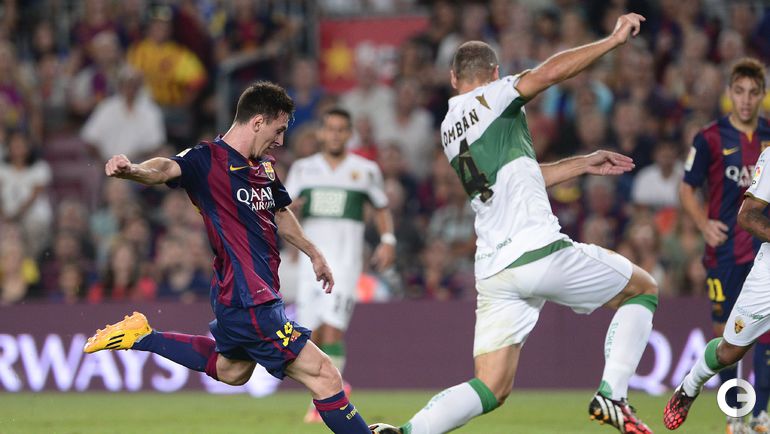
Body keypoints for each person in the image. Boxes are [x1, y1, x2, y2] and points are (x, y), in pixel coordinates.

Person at [370, 13, 659, 434]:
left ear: (453, 79)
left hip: (495, 268)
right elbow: (549, 73)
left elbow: (519, 176)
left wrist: (580, 164)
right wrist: (612, 41)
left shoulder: (450, 127)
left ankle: (407, 432)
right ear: (495, 74)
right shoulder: (495, 97)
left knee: (491, 386)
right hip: (536, 249)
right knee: (643, 289)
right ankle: (612, 395)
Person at [82, 81, 372, 434]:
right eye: (279, 130)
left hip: (245, 294)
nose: (281, 141)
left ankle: (143, 336)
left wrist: (314, 254)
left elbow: (281, 212)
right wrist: (132, 170)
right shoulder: (207, 159)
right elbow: (165, 169)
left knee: (232, 371)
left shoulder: (264, 167)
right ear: (258, 122)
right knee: (326, 375)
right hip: (250, 299)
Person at [665, 59, 770, 432]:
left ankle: (760, 414)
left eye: (753, 92)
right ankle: (723, 405)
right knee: (730, 344)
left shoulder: (766, 134)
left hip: (755, 249)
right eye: (739, 91)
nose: (746, 100)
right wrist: (703, 224)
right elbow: (689, 188)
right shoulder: (711, 137)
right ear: (730, 94)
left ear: (762, 96)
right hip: (729, 251)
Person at [285, 108, 396, 423]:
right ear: (321, 133)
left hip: (345, 265)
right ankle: (335, 388)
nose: (335, 135)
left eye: (341, 129)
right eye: (330, 129)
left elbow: (381, 207)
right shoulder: (303, 170)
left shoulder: (365, 171)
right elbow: (284, 209)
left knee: (333, 328)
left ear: (349, 134)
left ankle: (326, 401)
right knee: (311, 335)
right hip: (310, 264)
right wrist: (293, 210)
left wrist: (388, 240)